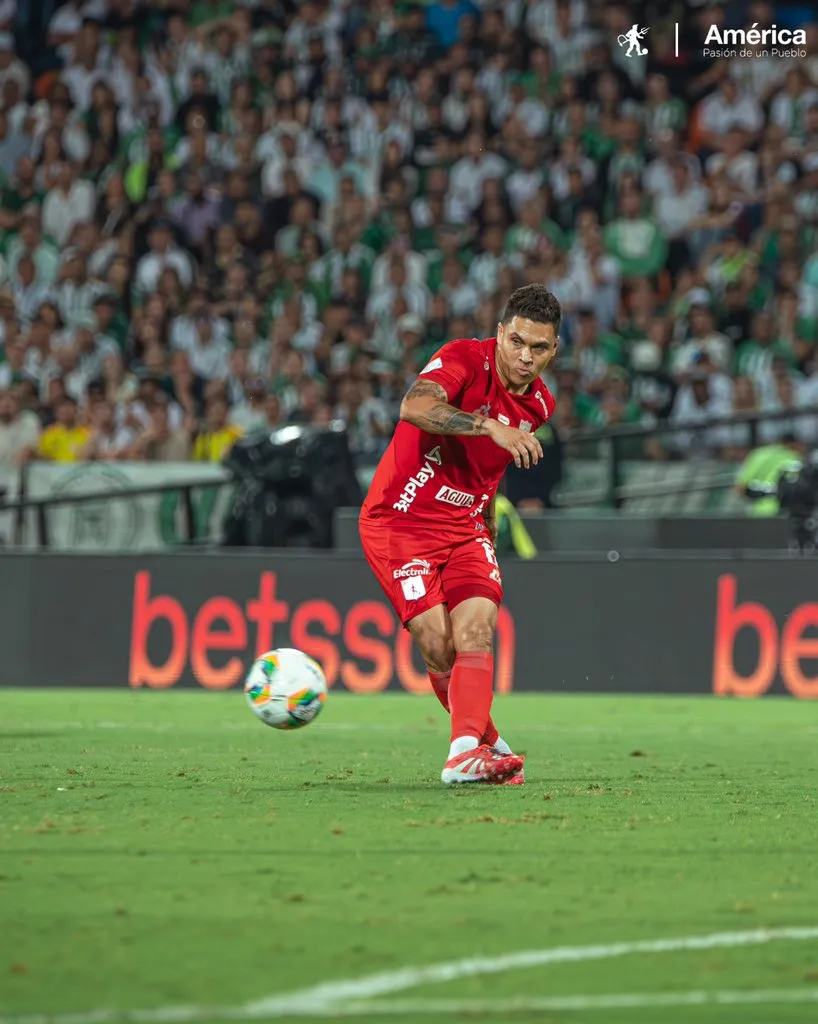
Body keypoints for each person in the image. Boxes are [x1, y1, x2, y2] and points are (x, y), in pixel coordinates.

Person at [359, 284, 559, 785]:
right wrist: (489, 426)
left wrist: (487, 531)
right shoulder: (463, 359)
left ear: (553, 351)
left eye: (539, 348)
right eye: (517, 342)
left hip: (467, 527)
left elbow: (487, 475)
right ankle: (486, 743)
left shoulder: (539, 406)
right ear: (499, 334)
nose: (525, 357)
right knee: (438, 645)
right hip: (400, 521)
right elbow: (415, 407)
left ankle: (464, 752)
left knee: (477, 629)